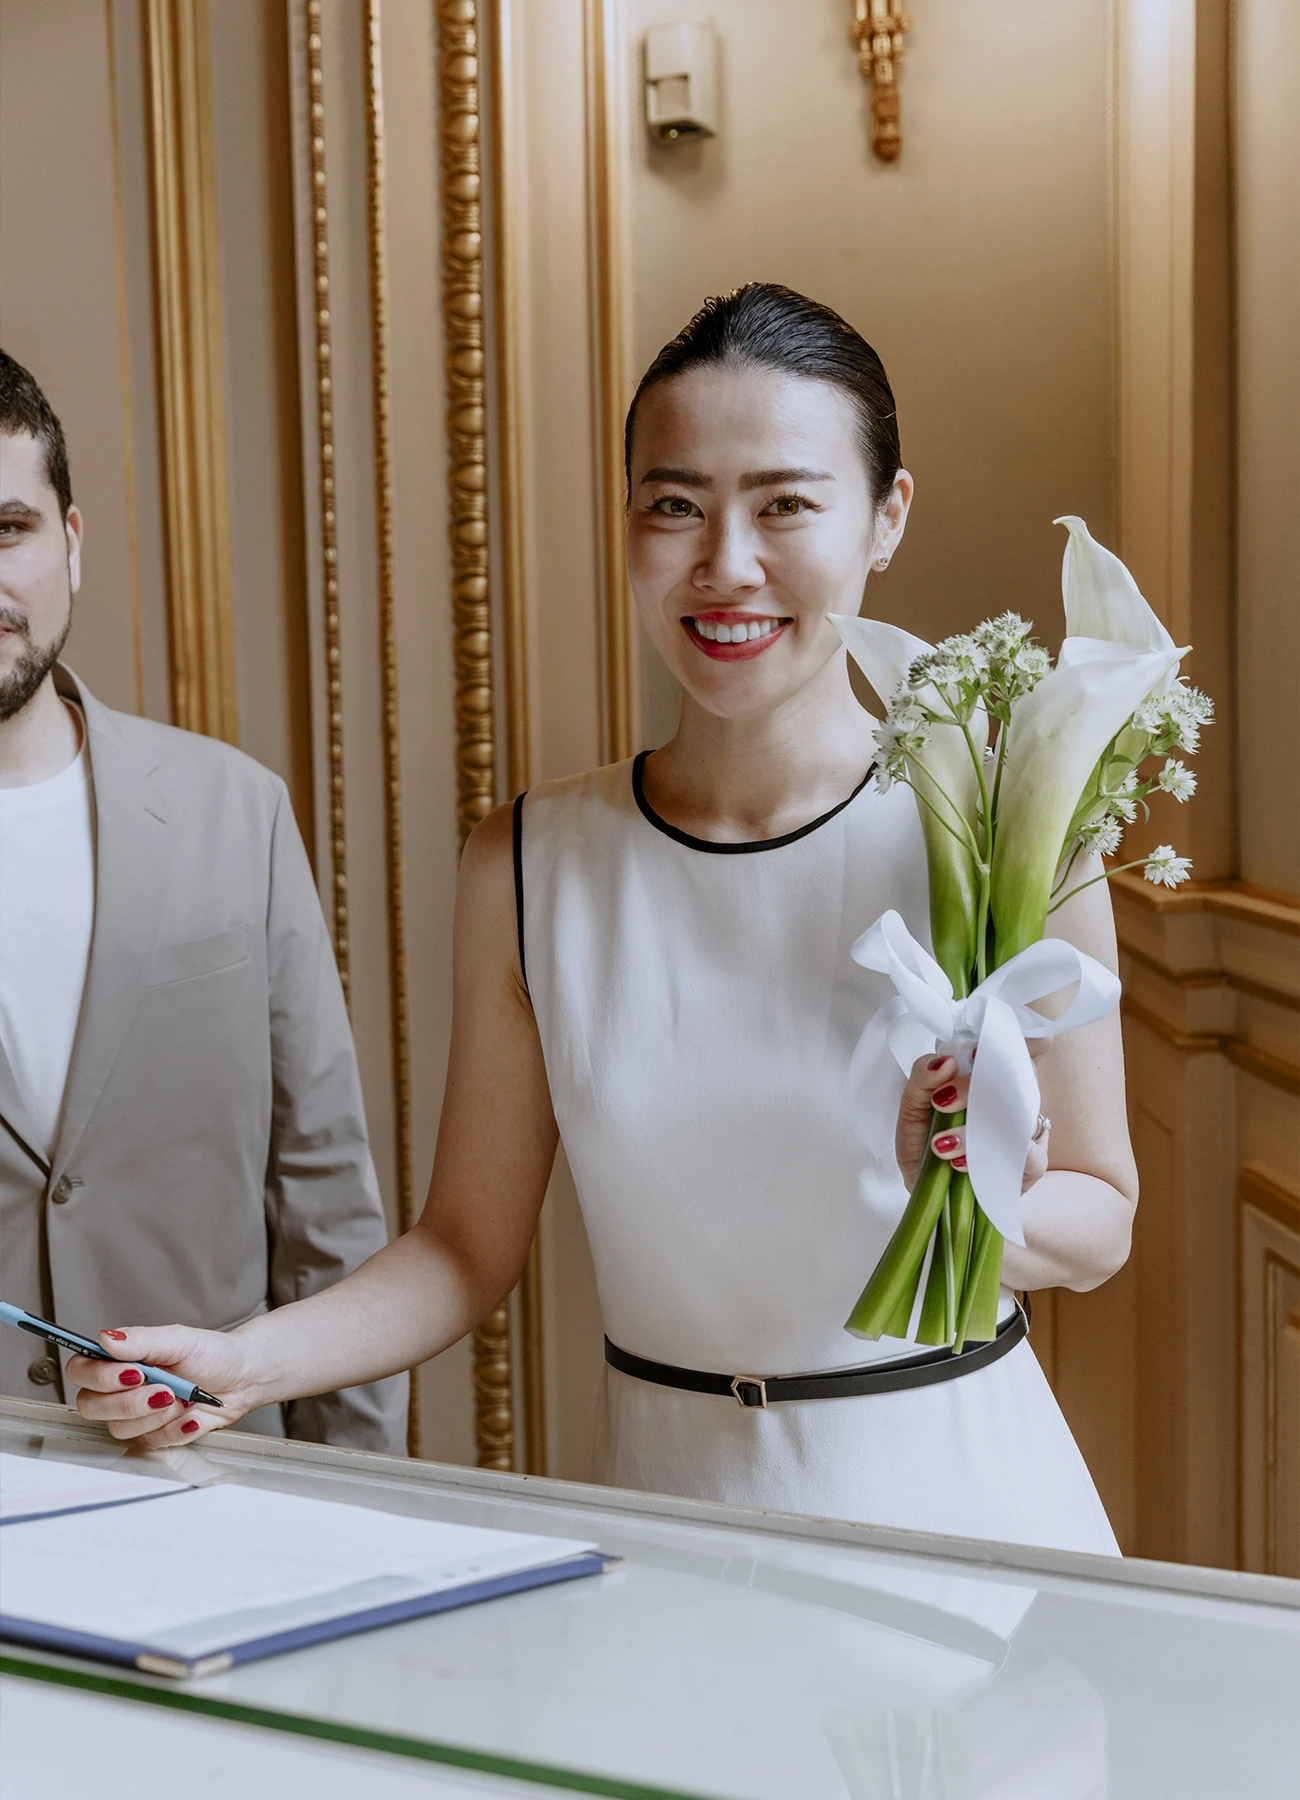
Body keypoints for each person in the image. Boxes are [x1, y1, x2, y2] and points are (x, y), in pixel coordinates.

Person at [70, 287, 1136, 1552]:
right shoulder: (529, 860)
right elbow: (463, 1250)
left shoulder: (1009, 818)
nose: (724, 564)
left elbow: (1099, 1214)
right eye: (673, 505)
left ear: (886, 516)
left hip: (964, 1513)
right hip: (661, 1512)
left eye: (785, 505)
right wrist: (242, 1362)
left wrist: (975, 1197)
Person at [0, 349, 406, 1452]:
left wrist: (360, 1501)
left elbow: (324, 1197)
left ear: (69, 542)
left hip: (216, 1480)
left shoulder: (237, 811)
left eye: (8, 528)